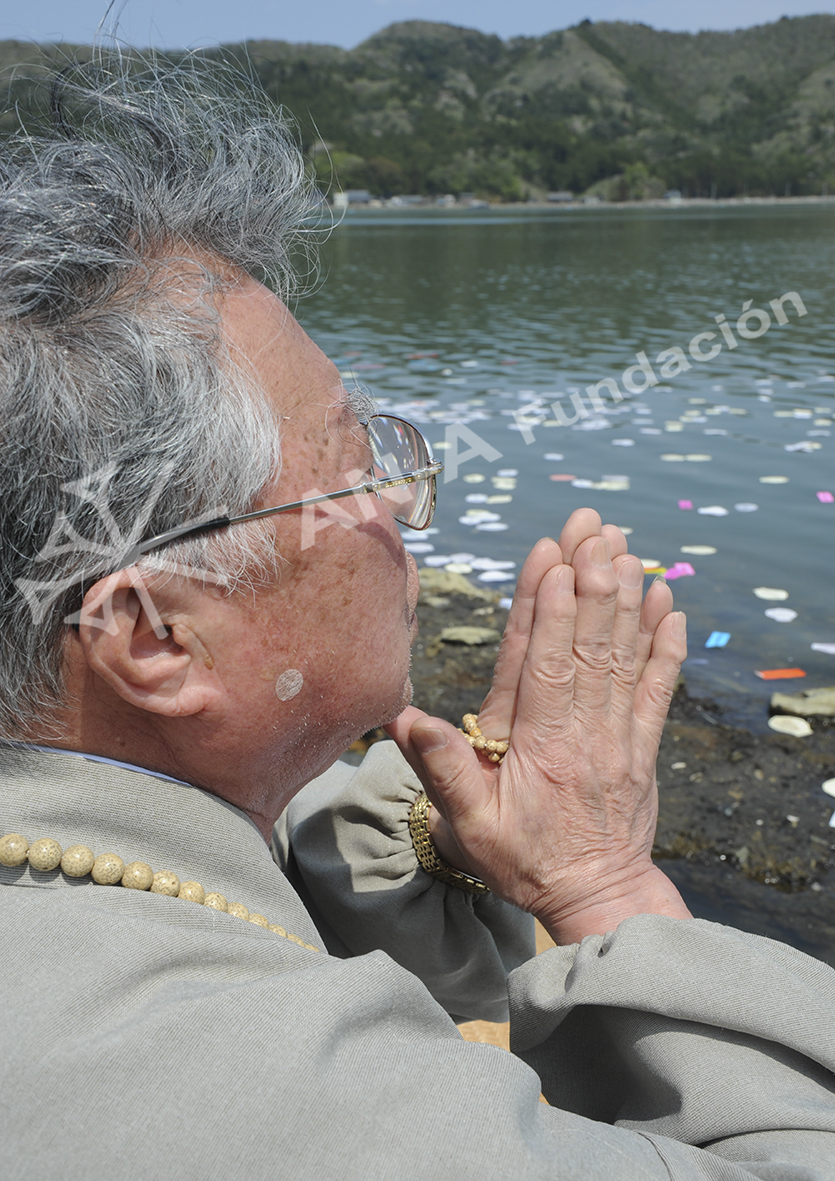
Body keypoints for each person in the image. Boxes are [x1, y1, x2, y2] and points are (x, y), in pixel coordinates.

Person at [1, 55, 834, 1180]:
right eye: (352, 474)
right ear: (158, 639)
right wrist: (604, 885)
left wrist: (435, 835)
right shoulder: (284, 1100)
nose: (400, 500)